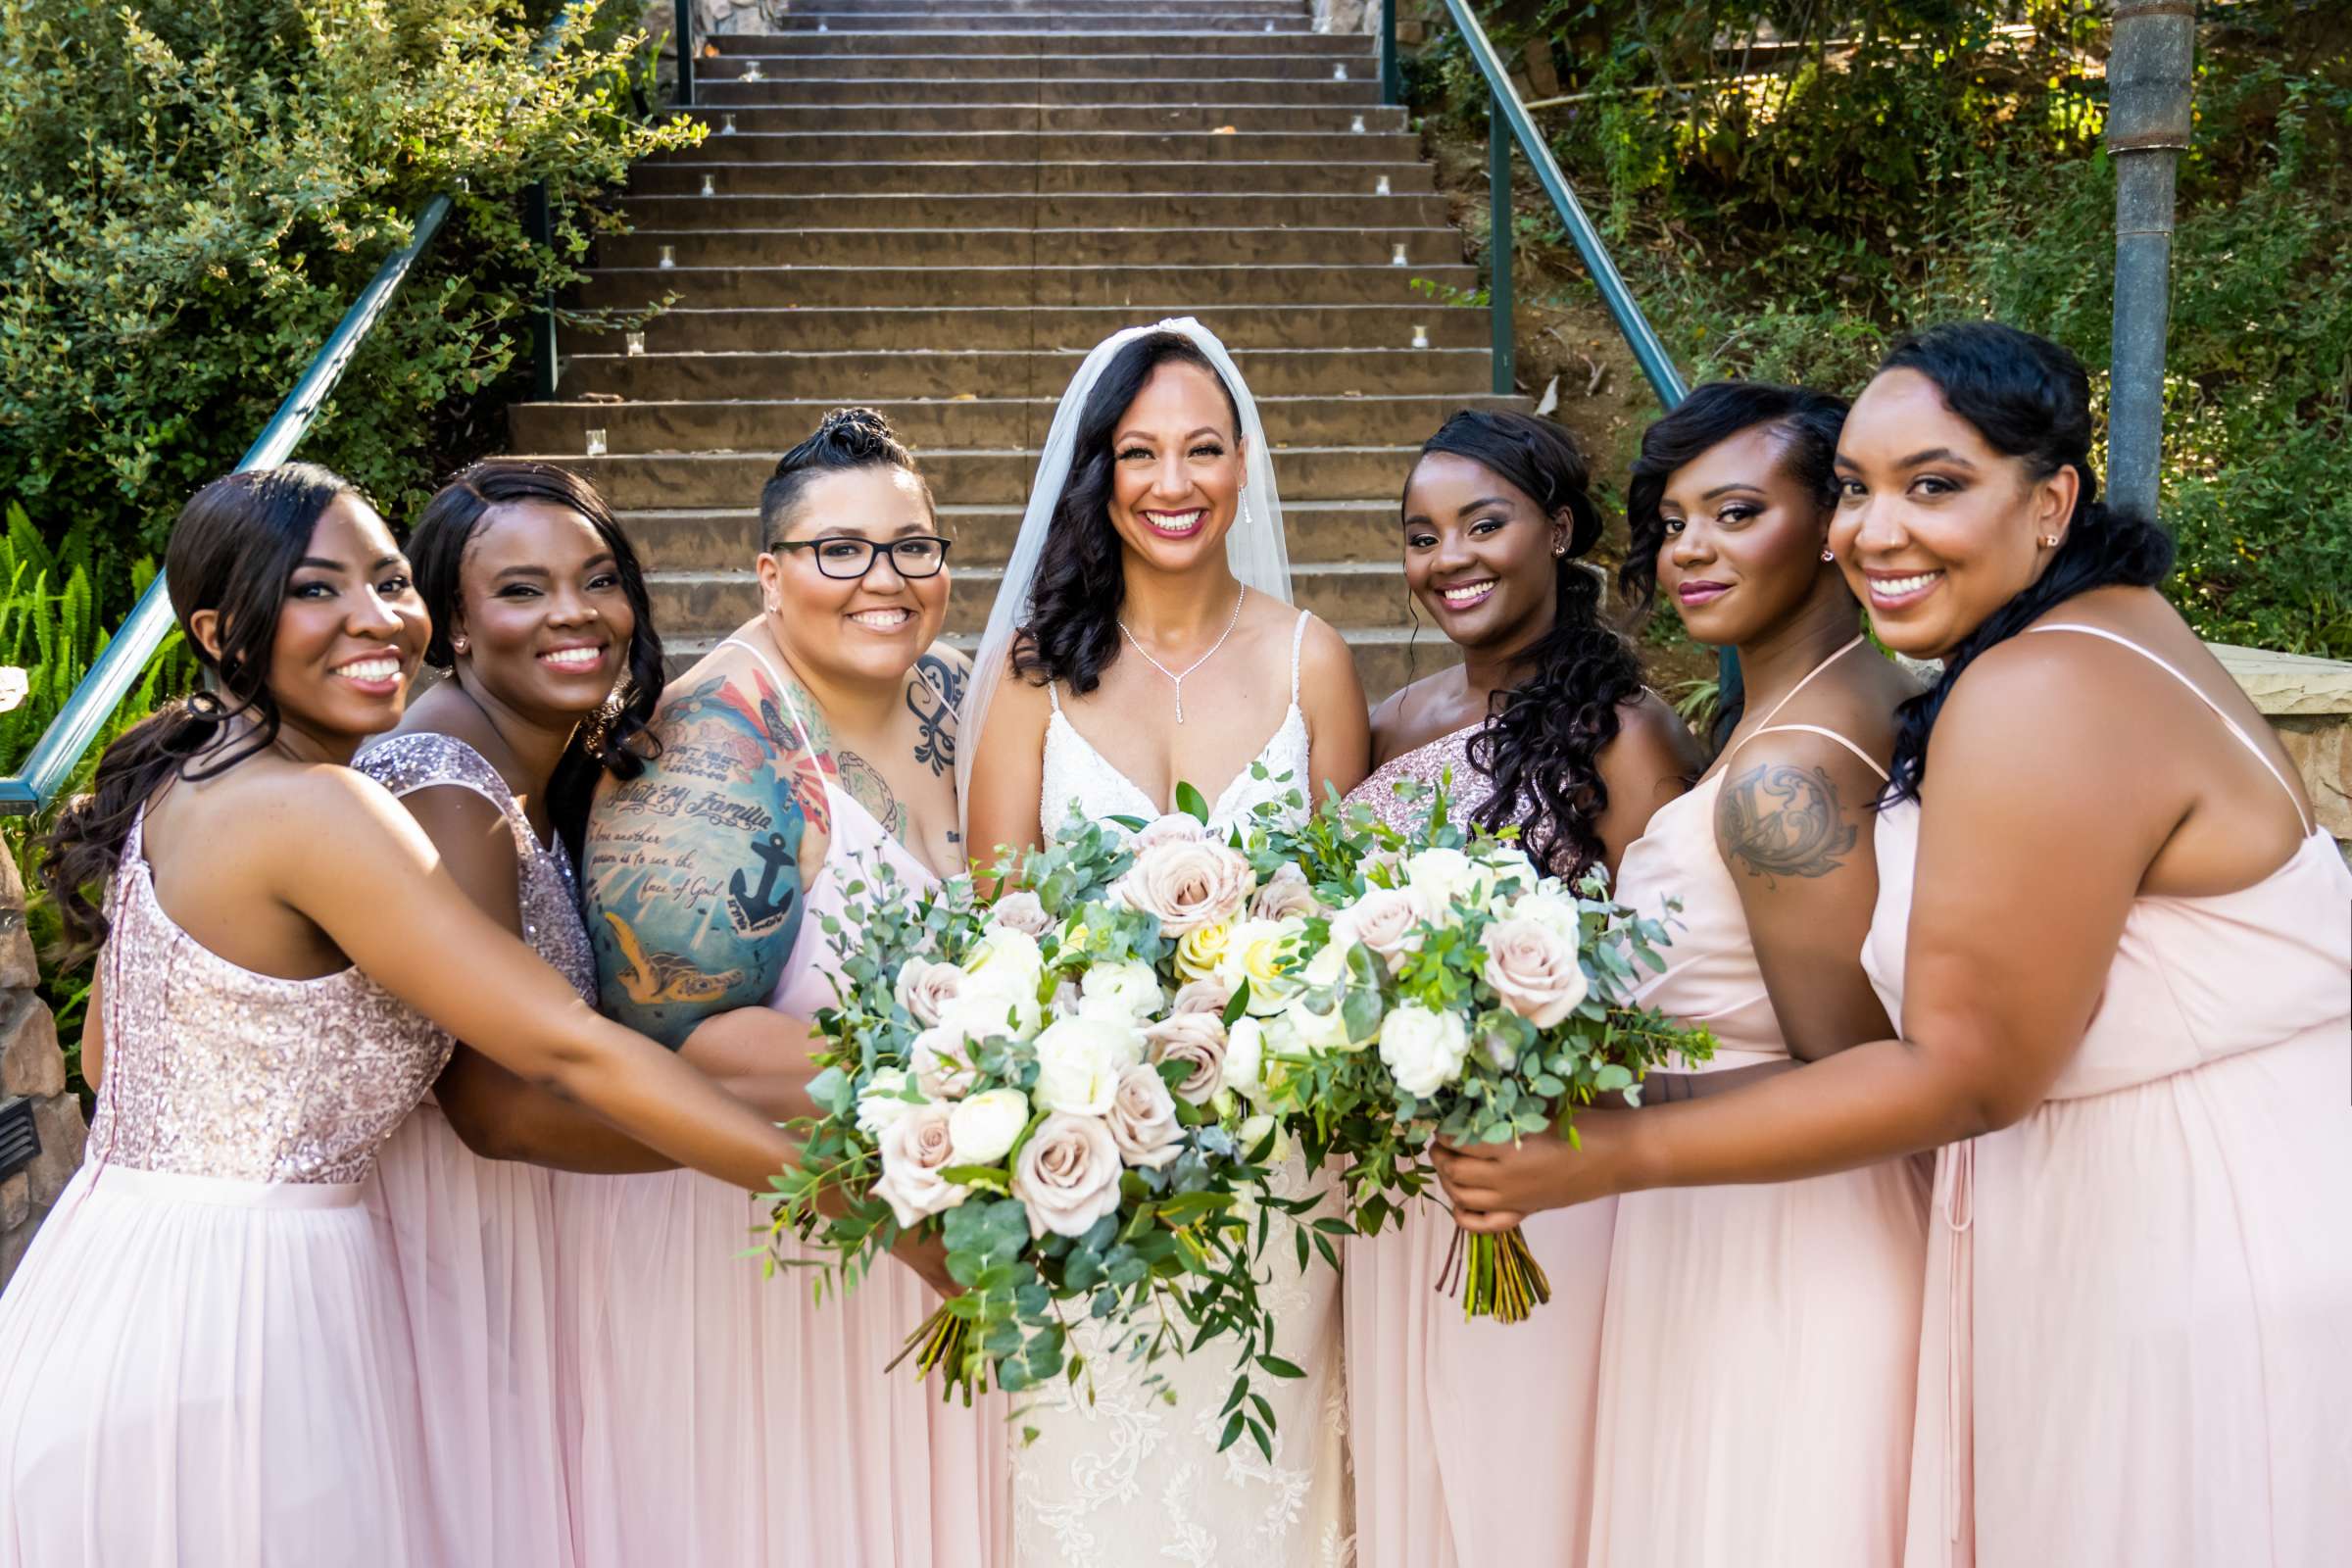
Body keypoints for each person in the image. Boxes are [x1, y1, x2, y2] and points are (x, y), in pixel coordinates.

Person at [1438, 323, 2352, 1566]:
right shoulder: (2094, 638)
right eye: (1859, 490)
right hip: (2205, 1190)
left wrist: (1612, 1147)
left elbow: (1967, 1070)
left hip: (2185, 1235)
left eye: (1934, 485)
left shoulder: (2040, 689)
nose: (1873, 530)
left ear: (2052, 500)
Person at [0, 465, 816, 1567]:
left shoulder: (195, 775)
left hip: (115, 1273)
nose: (375, 619)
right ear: (219, 628)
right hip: (235, 1323)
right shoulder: (321, 806)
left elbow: (108, 1054)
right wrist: (839, 1184)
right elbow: (560, 1048)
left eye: (388, 582)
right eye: (317, 591)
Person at [1432, 385, 1932, 1562]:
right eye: (1672, 519)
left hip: (1786, 1254)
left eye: (1738, 512)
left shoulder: (1785, 779)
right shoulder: (1825, 703)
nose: (1691, 546)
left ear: (1833, 524)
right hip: (1722, 1227)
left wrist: (1601, 1141)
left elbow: (1865, 1077)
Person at [961, 321, 1368, 1566]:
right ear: (1099, 474)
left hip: (1280, 1163)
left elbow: (1347, 918)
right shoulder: (1036, 673)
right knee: (1092, 1476)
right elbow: (998, 931)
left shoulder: (1315, 659)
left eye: (1202, 448)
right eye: (1140, 454)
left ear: (1245, 462)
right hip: (1093, 1153)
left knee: (1268, 1475)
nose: (1174, 483)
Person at [569, 409, 1000, 1568]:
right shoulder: (709, 750)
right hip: (796, 1251)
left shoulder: (961, 690)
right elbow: (688, 1042)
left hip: (980, 1221)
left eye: (915, 546)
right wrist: (975, 1100)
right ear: (768, 571)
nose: (887, 580)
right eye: (840, 550)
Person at [1340, 408, 1700, 1568]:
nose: (1450, 558)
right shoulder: (1390, 722)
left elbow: (1661, 986)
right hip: (1393, 1182)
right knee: (1414, 1476)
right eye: (1420, 534)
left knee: (1523, 1483)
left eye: (1482, 523)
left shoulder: (1627, 736)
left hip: (1548, 1173)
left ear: (1557, 529)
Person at [353, 460, 669, 1568]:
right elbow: (493, 1104)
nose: (577, 613)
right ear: (452, 628)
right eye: (523, 590)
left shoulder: (548, 755)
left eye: (598, 578)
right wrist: (755, 1152)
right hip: (443, 1226)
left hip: (505, 1220)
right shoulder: (440, 781)